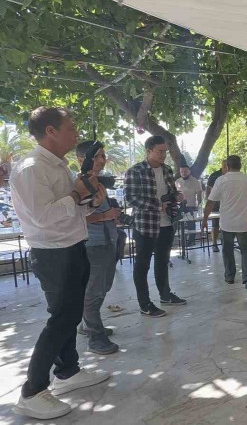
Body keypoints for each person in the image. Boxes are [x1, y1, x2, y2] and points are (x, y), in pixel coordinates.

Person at [10, 107, 110, 419]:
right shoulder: (31, 168)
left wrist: (89, 200)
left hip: (72, 245)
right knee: (61, 320)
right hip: (53, 253)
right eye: (70, 127)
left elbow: (69, 209)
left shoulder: (57, 165)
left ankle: (68, 371)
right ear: (51, 131)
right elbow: (42, 217)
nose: (76, 133)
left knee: (70, 314)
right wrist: (77, 195)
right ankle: (32, 391)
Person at [125, 135, 187, 318]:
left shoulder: (167, 170)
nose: (163, 155)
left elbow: (170, 192)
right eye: (160, 152)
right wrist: (158, 206)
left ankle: (165, 295)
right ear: (148, 151)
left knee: (162, 261)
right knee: (142, 265)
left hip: (166, 223)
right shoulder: (135, 171)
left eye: (165, 152)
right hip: (145, 225)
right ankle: (145, 304)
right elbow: (131, 198)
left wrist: (176, 196)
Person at [75, 141, 120, 356]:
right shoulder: (79, 184)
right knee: (94, 291)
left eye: (103, 155)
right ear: (81, 160)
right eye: (97, 156)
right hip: (93, 244)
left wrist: (112, 215)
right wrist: (105, 216)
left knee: (104, 286)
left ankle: (87, 324)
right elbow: (75, 216)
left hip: (108, 239)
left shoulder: (98, 182)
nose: (102, 160)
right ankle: (95, 336)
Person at [202, 155, 247, 293]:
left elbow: (210, 202)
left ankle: (230, 276)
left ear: (228, 166)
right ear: (240, 165)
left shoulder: (221, 180)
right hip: (244, 224)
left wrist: (205, 220)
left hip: (227, 224)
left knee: (227, 250)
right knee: (246, 250)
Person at [176, 164, 204, 246]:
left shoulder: (195, 181)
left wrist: (199, 206)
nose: (183, 173)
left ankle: (191, 241)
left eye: (185, 171)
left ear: (189, 171)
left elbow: (199, 195)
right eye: (182, 171)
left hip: (191, 206)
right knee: (180, 224)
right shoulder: (177, 181)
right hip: (180, 206)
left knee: (191, 224)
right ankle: (182, 241)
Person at [205, 160, 228, 252]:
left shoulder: (231, 175)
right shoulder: (214, 175)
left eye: (228, 165)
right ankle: (214, 243)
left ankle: (226, 241)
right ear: (222, 166)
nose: (226, 167)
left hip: (227, 204)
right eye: (225, 165)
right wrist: (209, 200)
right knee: (215, 224)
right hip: (215, 203)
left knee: (226, 223)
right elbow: (208, 189)